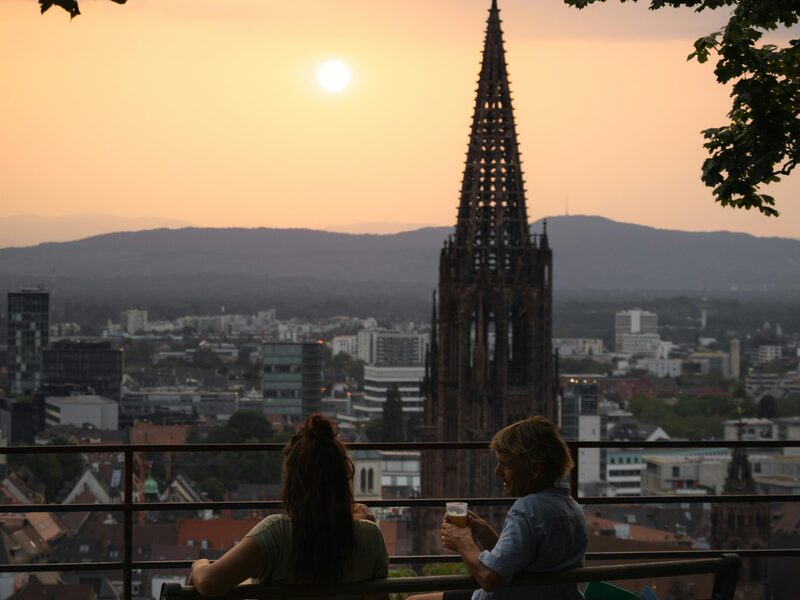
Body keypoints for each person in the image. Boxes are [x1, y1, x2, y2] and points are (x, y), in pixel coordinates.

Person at [188, 413, 389, 599]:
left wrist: (199, 564)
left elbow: (208, 583)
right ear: (343, 479)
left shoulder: (277, 533)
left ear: (293, 482)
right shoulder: (371, 537)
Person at [410, 416, 587, 600]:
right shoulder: (571, 507)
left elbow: (490, 579)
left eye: (506, 464)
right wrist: (486, 534)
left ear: (535, 470)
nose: (497, 471)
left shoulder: (526, 510)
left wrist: (463, 541)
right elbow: (521, 558)